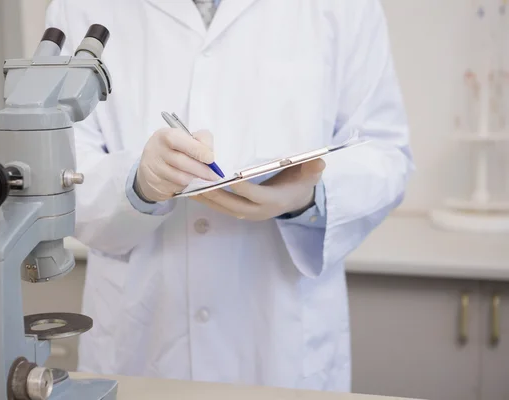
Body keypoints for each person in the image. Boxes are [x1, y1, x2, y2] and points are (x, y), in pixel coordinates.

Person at [45, 0, 414, 392]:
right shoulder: (79, 7)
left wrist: (309, 195)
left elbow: (386, 153)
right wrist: (138, 184)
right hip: (141, 342)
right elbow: (56, 166)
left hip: (280, 343)